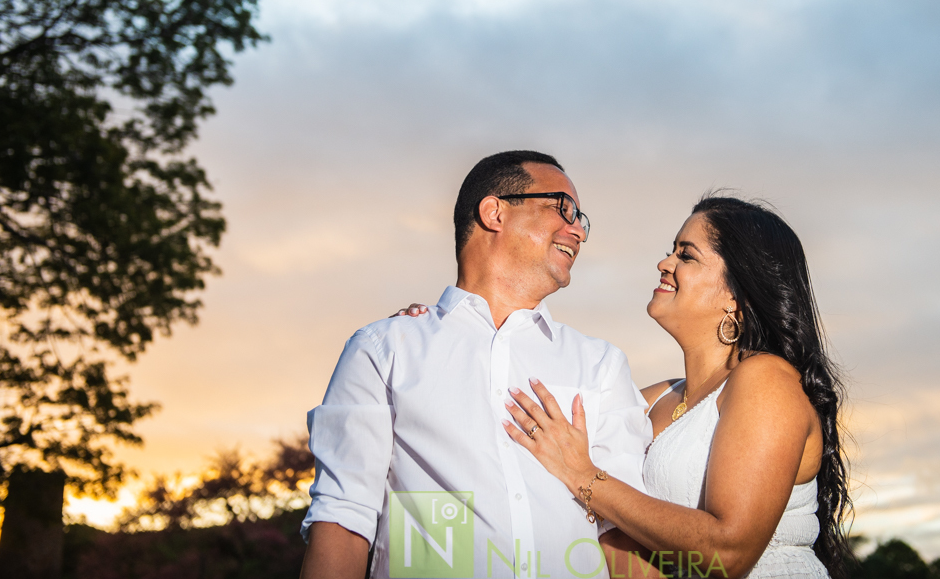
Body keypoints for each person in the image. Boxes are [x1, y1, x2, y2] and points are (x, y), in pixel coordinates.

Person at [299, 151, 653, 579]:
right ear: (494, 212)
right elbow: (343, 517)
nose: (578, 229)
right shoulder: (383, 349)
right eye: (564, 208)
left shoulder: (601, 364)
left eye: (581, 219)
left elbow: (626, 530)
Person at [500, 196, 852, 579]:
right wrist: (440, 327)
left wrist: (585, 478)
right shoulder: (652, 400)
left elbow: (729, 551)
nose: (664, 263)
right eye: (672, 251)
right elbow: (518, 397)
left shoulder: (766, 380)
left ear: (736, 294)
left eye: (687, 256)